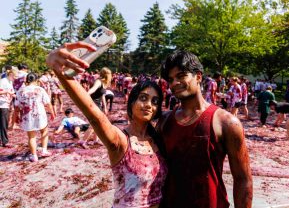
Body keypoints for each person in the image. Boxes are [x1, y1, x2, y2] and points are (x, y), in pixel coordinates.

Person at [46, 42, 168, 208]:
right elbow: (94, 115)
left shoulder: (159, 138)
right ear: (131, 103)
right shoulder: (120, 140)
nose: (149, 105)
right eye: (143, 98)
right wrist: (59, 70)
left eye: (155, 101)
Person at [158, 50, 252, 208]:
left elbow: (243, 179)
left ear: (199, 76)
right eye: (171, 79)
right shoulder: (164, 121)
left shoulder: (227, 122)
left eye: (181, 76)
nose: (174, 83)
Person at [15, 73, 55, 162]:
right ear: (36, 80)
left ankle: (34, 155)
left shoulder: (21, 91)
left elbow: (17, 106)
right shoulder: (40, 89)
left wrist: (16, 117)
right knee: (44, 131)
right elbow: (48, 103)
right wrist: (52, 113)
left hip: (27, 115)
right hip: (40, 114)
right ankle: (44, 150)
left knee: (31, 137)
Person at [0, 70, 16, 147]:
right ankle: (5, 141)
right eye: (14, 77)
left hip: (7, 103)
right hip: (2, 104)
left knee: (4, 123)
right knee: (3, 123)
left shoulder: (10, 82)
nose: (15, 79)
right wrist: (7, 92)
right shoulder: (3, 81)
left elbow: (11, 91)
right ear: (10, 75)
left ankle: (3, 139)